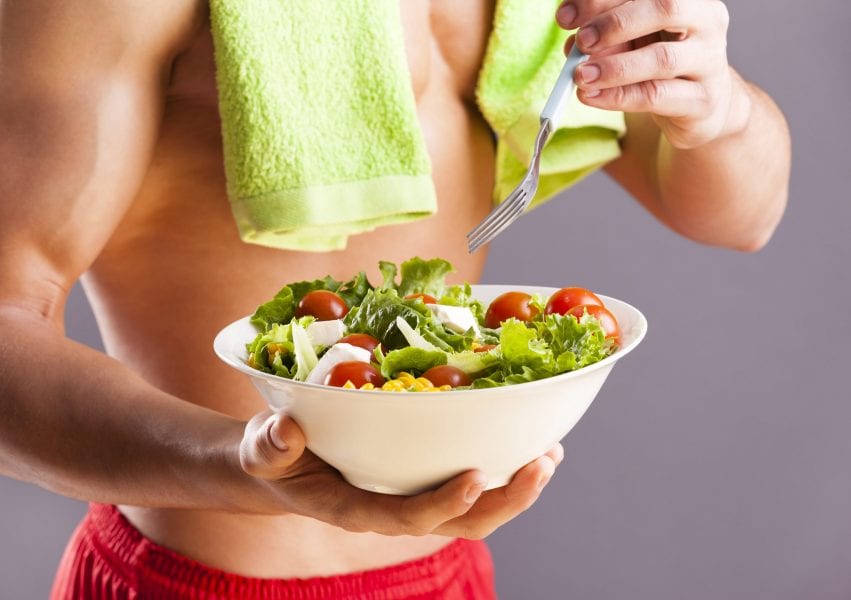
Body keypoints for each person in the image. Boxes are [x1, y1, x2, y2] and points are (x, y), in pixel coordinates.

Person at [0, 1, 789, 598]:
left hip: (449, 573)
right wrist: (245, 468)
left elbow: (741, 215)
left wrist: (719, 107)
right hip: (199, 578)